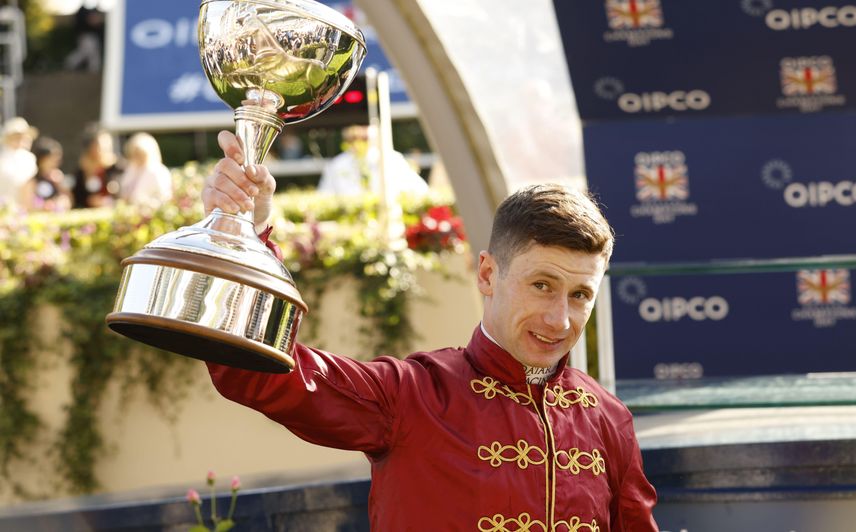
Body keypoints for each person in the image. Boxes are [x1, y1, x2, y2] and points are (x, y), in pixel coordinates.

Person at [201, 130, 658, 530]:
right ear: (486, 275)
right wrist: (244, 232)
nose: (560, 319)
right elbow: (259, 371)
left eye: (580, 295)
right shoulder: (410, 396)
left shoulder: (607, 417)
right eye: (542, 285)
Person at [318, 124, 428, 197]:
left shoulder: (391, 159)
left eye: (363, 138)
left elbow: (419, 191)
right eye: (352, 138)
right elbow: (325, 197)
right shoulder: (337, 165)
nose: (358, 143)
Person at [72, 124, 122, 208]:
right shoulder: (81, 172)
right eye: (98, 145)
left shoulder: (118, 169)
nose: (103, 148)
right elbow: (77, 197)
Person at [117, 132, 173, 207]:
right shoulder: (132, 170)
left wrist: (144, 202)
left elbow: (164, 197)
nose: (138, 157)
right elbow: (124, 191)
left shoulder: (158, 171)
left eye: (140, 153)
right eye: (135, 153)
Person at [0, 117, 38, 209]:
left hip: (22, 208)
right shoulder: (2, 157)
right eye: (16, 137)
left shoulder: (30, 158)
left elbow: (29, 186)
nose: (21, 140)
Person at [25, 136, 72, 212]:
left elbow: (69, 200)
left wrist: (61, 202)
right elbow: (27, 205)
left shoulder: (59, 177)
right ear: (41, 159)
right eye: (52, 159)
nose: (56, 162)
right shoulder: (32, 182)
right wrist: (43, 206)